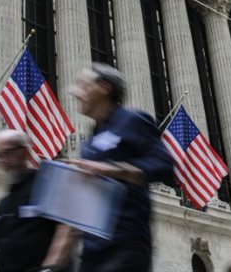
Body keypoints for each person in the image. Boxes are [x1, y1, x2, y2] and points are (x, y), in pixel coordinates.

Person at [69, 63, 174, 272]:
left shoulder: (133, 120)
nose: (75, 92)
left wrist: (112, 170)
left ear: (104, 88)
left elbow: (164, 166)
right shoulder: (89, 144)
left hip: (126, 242)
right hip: (93, 247)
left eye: (83, 85)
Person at [0, 129, 74, 272]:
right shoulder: (5, 203)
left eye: (8, 153)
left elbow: (66, 228)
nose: (5, 161)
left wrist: (50, 267)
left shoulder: (46, 184)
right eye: (0, 156)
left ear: (24, 151)